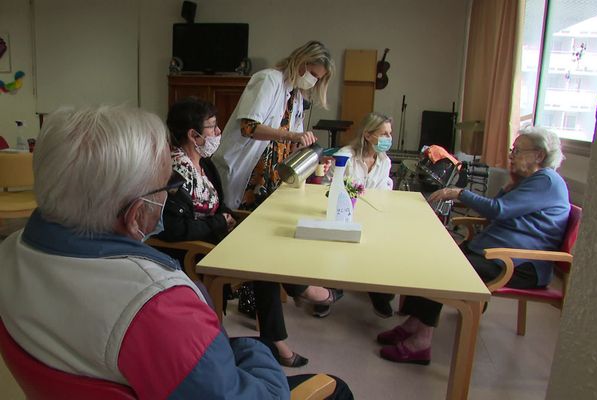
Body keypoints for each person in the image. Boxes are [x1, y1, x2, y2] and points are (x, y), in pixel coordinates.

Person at [0, 106, 353, 399]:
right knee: (337, 390)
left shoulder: (10, 253)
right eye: (169, 184)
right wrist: (256, 350)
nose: (172, 194)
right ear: (137, 213)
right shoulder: (156, 305)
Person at [156, 98, 340, 368]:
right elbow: (173, 229)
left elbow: (219, 203)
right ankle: (296, 304)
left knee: (268, 236)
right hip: (195, 250)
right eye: (212, 128)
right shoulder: (174, 172)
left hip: (215, 235)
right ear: (193, 135)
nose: (219, 133)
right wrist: (219, 223)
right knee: (261, 260)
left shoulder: (204, 164)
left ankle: (291, 306)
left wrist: (229, 217)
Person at [376, 126, 570, 365]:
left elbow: (498, 210)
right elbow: (497, 213)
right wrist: (510, 184)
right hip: (494, 253)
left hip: (520, 264)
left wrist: (459, 193)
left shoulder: (547, 181)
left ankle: (421, 343)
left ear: (539, 155)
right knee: (432, 259)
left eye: (517, 150)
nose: (512, 155)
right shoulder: (531, 181)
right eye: (512, 149)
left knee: (445, 269)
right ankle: (414, 323)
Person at [212, 40, 334, 210]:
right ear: (301, 60)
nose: (313, 81)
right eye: (313, 73)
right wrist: (291, 135)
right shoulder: (268, 80)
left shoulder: (296, 97)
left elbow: (293, 146)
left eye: (317, 79)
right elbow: (249, 127)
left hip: (272, 177)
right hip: (246, 173)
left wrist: (315, 160)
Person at [314, 112, 396, 319]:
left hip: (371, 216)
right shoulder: (346, 156)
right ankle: (328, 291)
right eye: (384, 133)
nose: (389, 138)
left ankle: (377, 291)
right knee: (334, 248)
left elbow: (383, 194)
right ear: (368, 135)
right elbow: (326, 187)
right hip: (341, 213)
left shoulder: (384, 161)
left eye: (390, 133)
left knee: (381, 244)